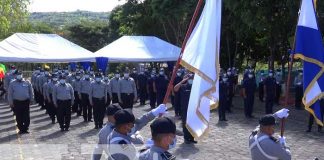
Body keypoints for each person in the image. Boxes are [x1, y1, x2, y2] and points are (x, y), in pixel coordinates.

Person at [92, 104, 166, 160]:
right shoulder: (108, 134)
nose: (131, 128)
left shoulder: (122, 127)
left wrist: (154, 112)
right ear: (110, 116)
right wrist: (149, 147)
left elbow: (139, 122)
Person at [174, 73, 196, 144]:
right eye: (189, 78)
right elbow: (175, 88)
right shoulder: (183, 86)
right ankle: (186, 138)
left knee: (192, 123)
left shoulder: (195, 86)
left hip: (193, 108)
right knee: (185, 123)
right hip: (185, 108)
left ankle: (192, 138)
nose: (191, 80)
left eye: (192, 78)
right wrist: (182, 81)